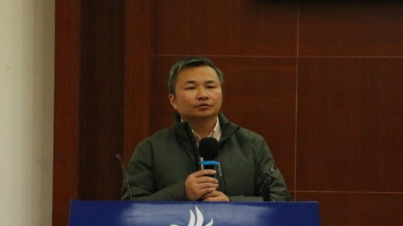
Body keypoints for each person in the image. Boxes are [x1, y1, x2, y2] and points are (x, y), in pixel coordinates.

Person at [122, 56, 291, 202]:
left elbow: (280, 198)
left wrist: (232, 203)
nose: (203, 95)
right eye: (191, 88)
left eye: (210, 87)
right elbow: (131, 205)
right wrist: (182, 192)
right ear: (173, 100)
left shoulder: (252, 144)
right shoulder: (151, 148)